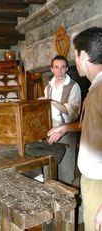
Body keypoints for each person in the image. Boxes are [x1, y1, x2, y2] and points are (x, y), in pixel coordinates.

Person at [47, 27, 102, 231]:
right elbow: (91, 123)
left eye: (75, 54)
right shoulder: (95, 86)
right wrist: (64, 128)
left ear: (84, 55)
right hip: (91, 178)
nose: (74, 60)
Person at [39, 55, 82, 184]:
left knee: (66, 171)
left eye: (63, 67)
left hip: (67, 128)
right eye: (56, 67)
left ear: (67, 69)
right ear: (52, 69)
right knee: (49, 167)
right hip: (50, 129)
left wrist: (52, 102)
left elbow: (73, 113)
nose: (60, 71)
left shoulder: (74, 86)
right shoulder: (48, 87)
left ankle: (67, 197)